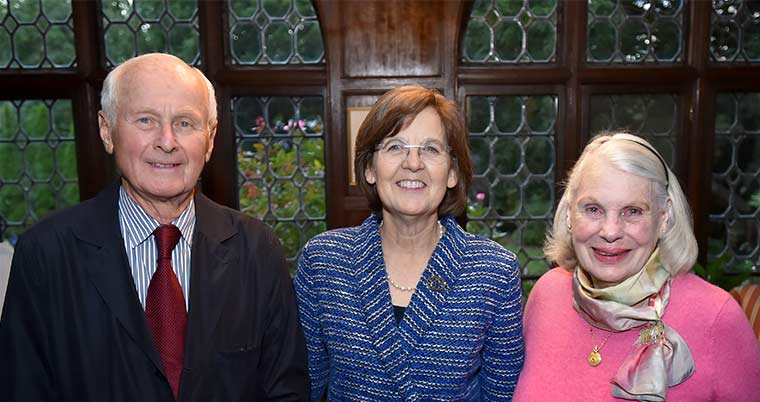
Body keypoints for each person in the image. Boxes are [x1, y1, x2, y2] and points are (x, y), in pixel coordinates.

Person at [0, 53, 309, 401]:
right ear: (107, 130)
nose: (166, 141)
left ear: (209, 139)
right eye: (146, 120)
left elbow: (287, 390)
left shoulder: (256, 248)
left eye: (185, 123)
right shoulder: (45, 254)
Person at [294, 85, 524, 400]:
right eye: (395, 147)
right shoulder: (325, 261)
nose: (413, 162)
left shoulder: (494, 272)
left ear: (453, 172)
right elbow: (301, 388)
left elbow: (503, 394)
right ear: (370, 168)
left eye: (431, 149)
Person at [513, 132, 760, 401]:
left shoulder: (717, 317)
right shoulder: (548, 293)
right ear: (570, 213)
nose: (610, 231)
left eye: (632, 211)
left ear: (664, 217)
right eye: (593, 209)